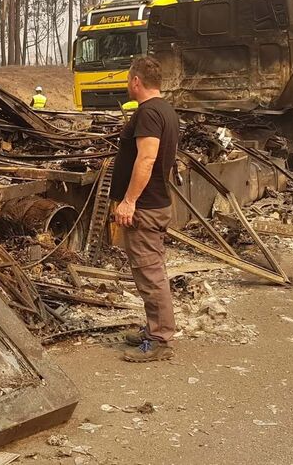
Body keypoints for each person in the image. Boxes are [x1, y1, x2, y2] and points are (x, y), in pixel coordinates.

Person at [109, 56, 180, 362]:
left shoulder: (149, 113)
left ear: (136, 81)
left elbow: (147, 159)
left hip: (146, 206)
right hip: (155, 202)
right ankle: (154, 327)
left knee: (149, 273)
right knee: (151, 270)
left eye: (128, 80)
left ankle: (160, 339)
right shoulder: (165, 110)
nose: (128, 84)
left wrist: (129, 201)